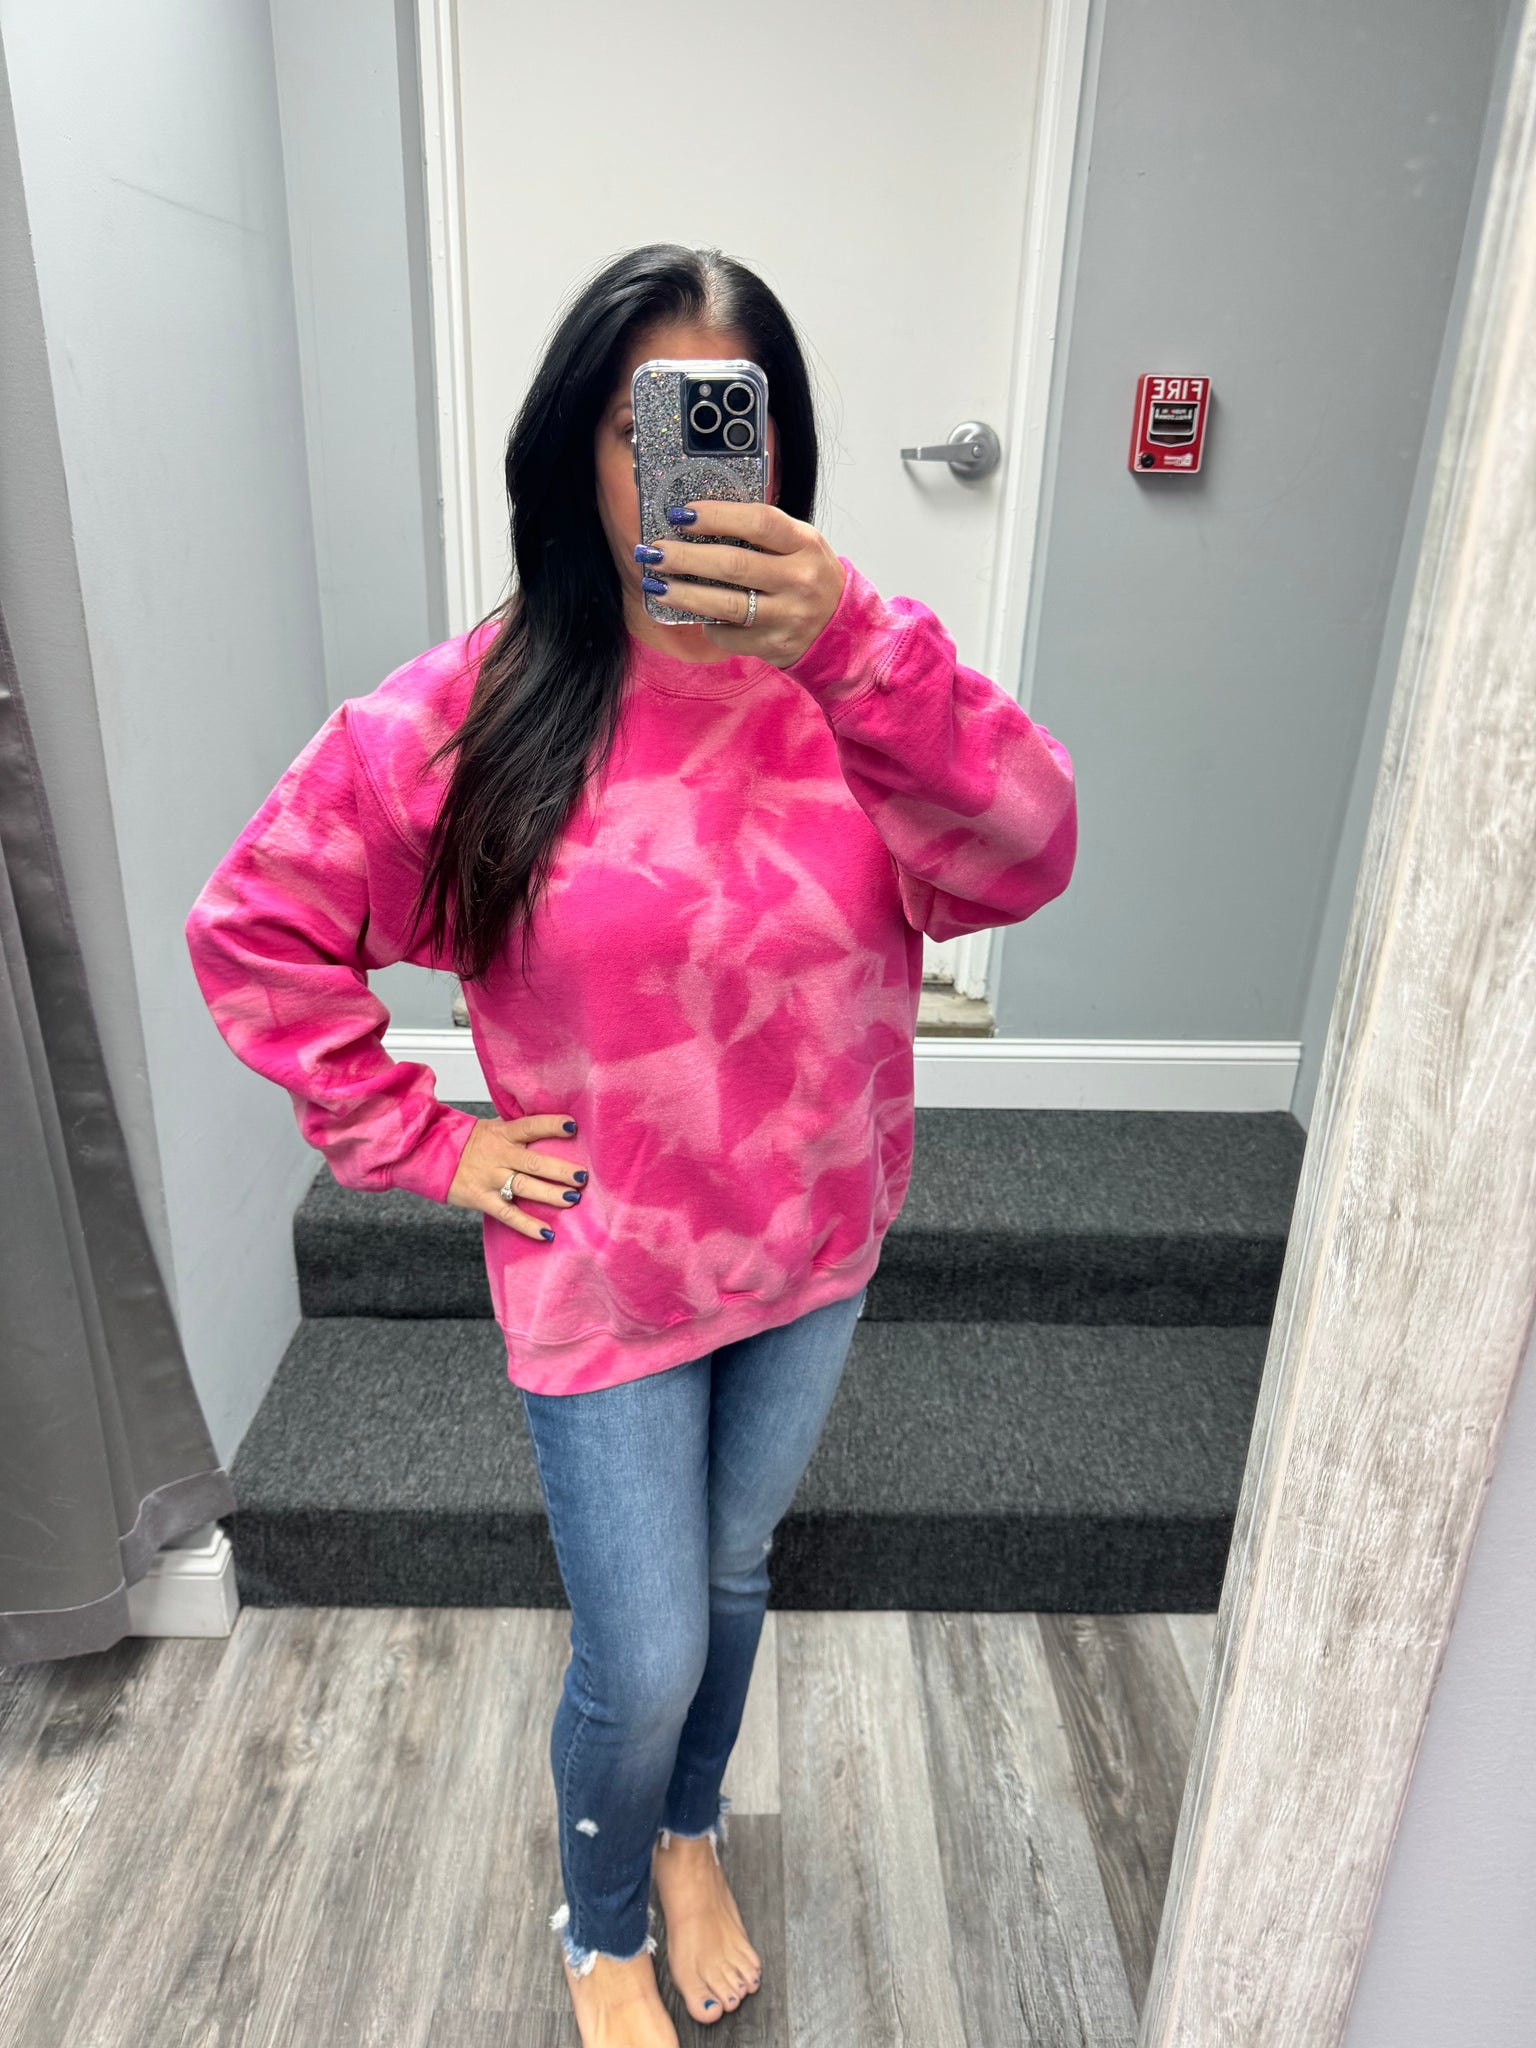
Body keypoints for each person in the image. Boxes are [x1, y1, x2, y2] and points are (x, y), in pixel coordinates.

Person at [186, 243, 1077, 2048]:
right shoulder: (473, 711)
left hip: (815, 1236)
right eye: (639, 421)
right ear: (574, 452)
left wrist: (851, 641)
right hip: (605, 1264)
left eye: (726, 418)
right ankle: (597, 1925)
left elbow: (1028, 851)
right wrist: (420, 1142)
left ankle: (687, 1835)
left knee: (735, 1575)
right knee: (648, 1647)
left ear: (778, 444)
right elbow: (255, 929)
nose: (682, 463)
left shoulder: (860, 686)